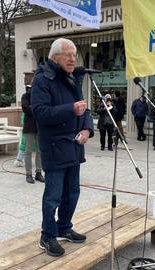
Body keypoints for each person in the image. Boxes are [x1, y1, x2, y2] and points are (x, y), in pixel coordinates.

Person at [31, 38, 94, 257]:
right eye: (68, 54)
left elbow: (84, 110)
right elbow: (40, 113)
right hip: (55, 147)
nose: (72, 58)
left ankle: (64, 227)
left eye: (74, 55)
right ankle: (47, 236)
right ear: (54, 57)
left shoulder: (72, 78)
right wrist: (71, 109)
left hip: (74, 146)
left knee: (72, 193)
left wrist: (87, 130)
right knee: (53, 196)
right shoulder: (42, 80)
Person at [21, 84, 44, 183]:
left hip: (39, 127)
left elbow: (43, 109)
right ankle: (28, 174)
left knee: (40, 151)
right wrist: (35, 108)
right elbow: (26, 109)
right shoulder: (25, 96)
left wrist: (34, 108)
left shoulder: (40, 96)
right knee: (28, 151)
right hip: (29, 127)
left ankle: (38, 173)